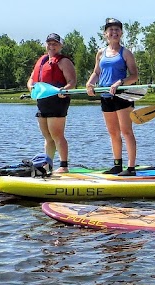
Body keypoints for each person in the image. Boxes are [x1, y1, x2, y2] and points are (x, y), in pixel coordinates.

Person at [86, 18, 139, 176]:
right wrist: (90, 84)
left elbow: (134, 76)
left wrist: (120, 82)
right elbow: (97, 73)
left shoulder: (126, 53)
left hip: (122, 96)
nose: (114, 32)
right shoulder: (101, 53)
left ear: (121, 33)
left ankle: (131, 168)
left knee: (126, 131)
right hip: (105, 95)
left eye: (117, 30)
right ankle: (117, 165)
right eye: (111, 30)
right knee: (113, 132)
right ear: (105, 34)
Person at [27, 33, 78, 173]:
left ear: (60, 46)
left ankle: (63, 166)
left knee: (57, 135)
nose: (51, 46)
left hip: (58, 100)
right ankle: (47, 165)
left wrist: (64, 90)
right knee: (47, 137)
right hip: (43, 101)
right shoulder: (42, 61)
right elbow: (31, 79)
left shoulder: (64, 61)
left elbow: (72, 82)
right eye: (49, 43)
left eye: (55, 44)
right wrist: (31, 87)